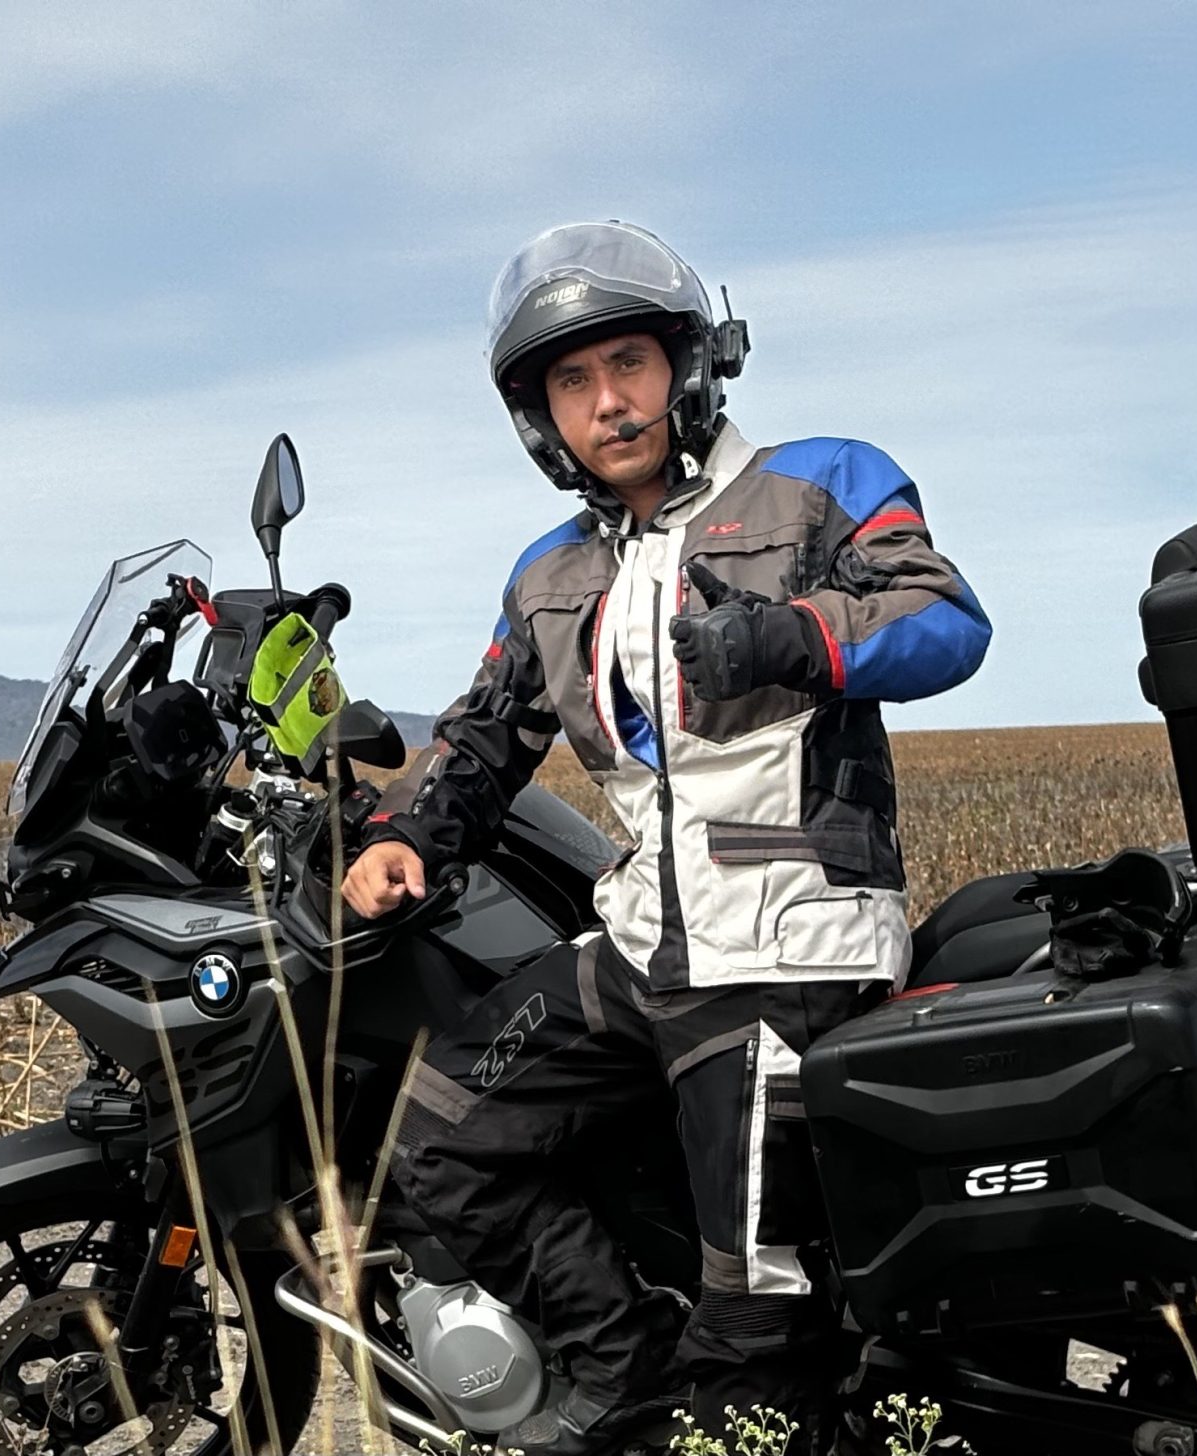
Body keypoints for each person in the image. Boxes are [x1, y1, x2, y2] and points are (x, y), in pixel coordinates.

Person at [345, 221, 990, 1455]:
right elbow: (487, 734)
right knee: (434, 1136)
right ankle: (634, 1387)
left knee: (762, 1313)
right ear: (543, 418)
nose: (609, 402)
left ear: (685, 365)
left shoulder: (818, 483)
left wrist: (791, 634)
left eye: (627, 365)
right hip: (641, 946)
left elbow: (942, 615)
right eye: (573, 384)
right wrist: (411, 837)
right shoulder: (550, 572)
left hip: (788, 944)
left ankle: (735, 1403)